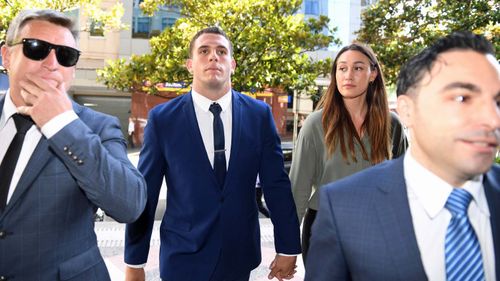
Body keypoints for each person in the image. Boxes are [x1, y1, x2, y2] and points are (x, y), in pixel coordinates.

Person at [305, 31, 500, 281]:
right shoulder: (342, 209)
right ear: (409, 110)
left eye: (497, 101)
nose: (491, 119)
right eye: (462, 98)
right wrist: (286, 247)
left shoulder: (390, 125)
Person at [124, 26, 301, 281]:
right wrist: (134, 261)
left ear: (233, 64)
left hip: (239, 255)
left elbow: (276, 185)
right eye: (204, 51)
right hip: (182, 255)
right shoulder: (163, 120)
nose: (213, 57)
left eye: (221, 51)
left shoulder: (258, 116)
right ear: (190, 64)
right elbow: (147, 193)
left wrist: (288, 247)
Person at [0, 9, 147, 280]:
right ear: (7, 55)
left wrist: (62, 125)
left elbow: (130, 204)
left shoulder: (98, 127)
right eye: (37, 48)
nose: (52, 63)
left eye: (65, 55)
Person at [290, 42, 407, 263]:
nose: (348, 75)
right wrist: (287, 247)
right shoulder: (315, 124)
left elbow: (406, 184)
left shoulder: (392, 124)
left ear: (373, 74)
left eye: (358, 68)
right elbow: (299, 189)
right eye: (342, 68)